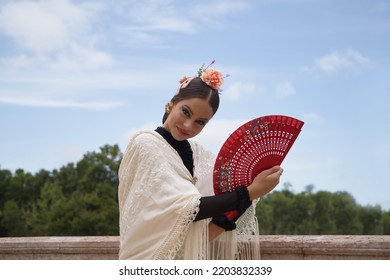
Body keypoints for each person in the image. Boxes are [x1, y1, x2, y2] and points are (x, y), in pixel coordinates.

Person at [118, 62, 283, 260]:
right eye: (185, 112)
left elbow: (225, 196)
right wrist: (249, 192)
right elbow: (188, 209)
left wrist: (253, 186)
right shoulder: (145, 144)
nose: (188, 125)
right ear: (172, 103)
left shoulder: (198, 153)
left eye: (200, 122)